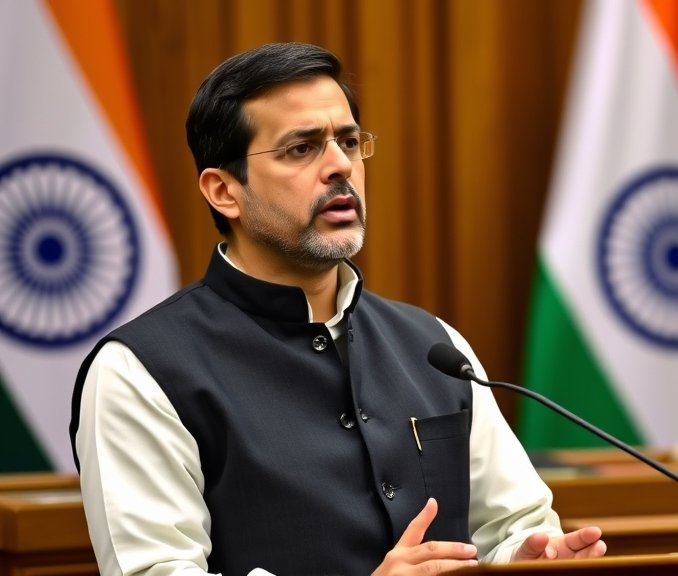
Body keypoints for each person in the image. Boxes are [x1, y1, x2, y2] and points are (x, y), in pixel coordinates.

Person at [70, 42, 605, 576]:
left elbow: (510, 526)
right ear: (224, 191)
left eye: (348, 141)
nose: (340, 166)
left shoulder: (435, 347)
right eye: (301, 148)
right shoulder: (139, 371)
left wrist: (529, 557)